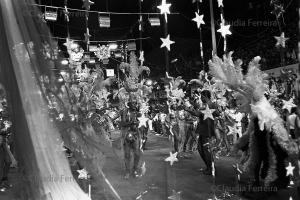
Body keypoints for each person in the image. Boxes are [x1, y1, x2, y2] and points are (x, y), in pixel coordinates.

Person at [184, 90, 219, 175]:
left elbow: (198, 113)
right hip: (204, 129)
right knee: (201, 149)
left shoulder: (210, 105)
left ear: (205, 96)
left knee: (205, 150)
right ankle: (209, 167)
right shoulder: (209, 105)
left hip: (207, 130)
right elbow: (216, 113)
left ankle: (210, 168)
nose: (201, 98)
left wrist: (188, 109)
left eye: (202, 97)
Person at [119, 100, 141, 179]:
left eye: (135, 103)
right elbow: (122, 123)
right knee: (127, 155)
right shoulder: (125, 112)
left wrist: (138, 122)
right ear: (129, 104)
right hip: (126, 135)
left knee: (137, 154)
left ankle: (135, 170)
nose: (135, 104)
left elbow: (140, 121)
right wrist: (131, 122)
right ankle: (128, 171)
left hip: (135, 135)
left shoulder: (137, 112)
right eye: (133, 103)